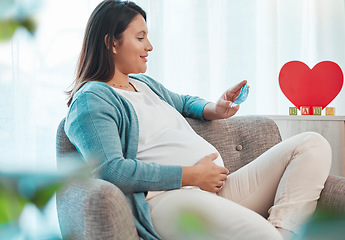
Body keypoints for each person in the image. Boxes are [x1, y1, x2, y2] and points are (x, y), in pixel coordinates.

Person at [64, 1, 332, 239]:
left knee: (312, 144)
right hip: (167, 200)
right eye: (140, 37)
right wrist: (190, 175)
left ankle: (283, 231)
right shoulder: (92, 99)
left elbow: (182, 101)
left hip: (215, 189)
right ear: (112, 42)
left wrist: (214, 108)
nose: (149, 46)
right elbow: (111, 170)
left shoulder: (143, 84)